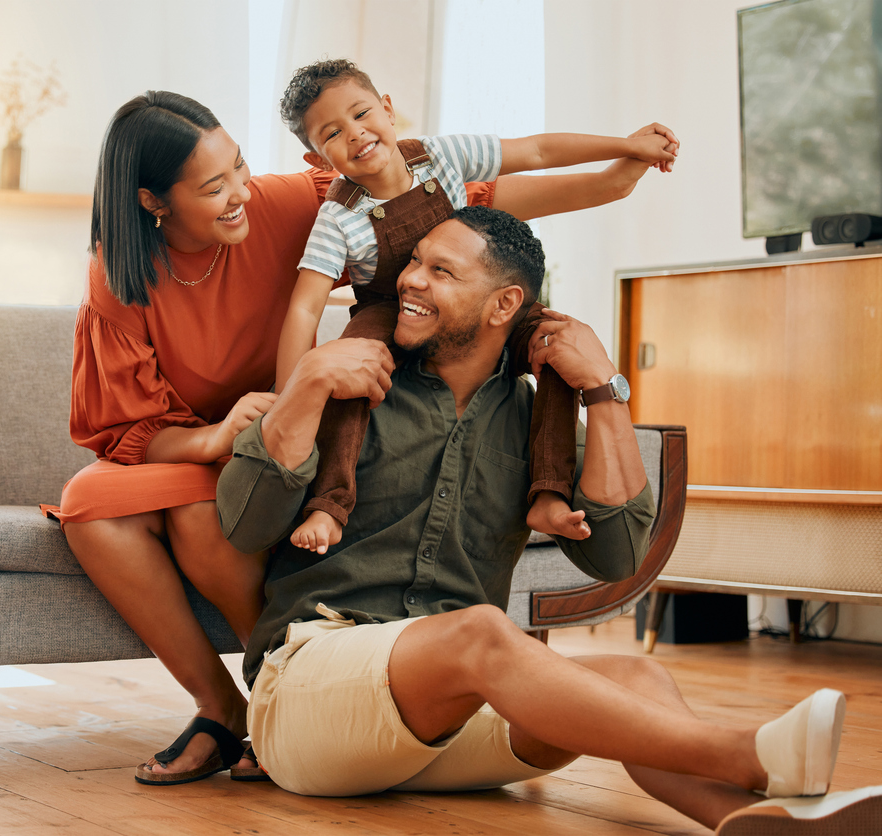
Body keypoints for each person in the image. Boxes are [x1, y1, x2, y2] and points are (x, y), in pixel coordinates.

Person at [43, 89, 678, 787]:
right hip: (244, 432)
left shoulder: (290, 203)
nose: (239, 195)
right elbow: (126, 428)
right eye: (212, 187)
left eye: (241, 169)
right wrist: (245, 422)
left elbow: (450, 197)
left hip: (304, 421)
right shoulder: (120, 278)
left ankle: (275, 697)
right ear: (152, 202)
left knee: (204, 514)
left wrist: (617, 172)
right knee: (94, 502)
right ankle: (231, 703)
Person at [217, 205, 881, 834]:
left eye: (440, 271)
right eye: (414, 262)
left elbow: (618, 558)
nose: (410, 280)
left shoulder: (541, 428)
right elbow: (244, 525)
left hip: (445, 723)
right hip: (310, 696)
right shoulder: (350, 384)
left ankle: (747, 820)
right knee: (481, 631)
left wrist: (604, 389)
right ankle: (747, 755)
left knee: (637, 680)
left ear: (503, 304)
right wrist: (305, 382)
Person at [272, 58, 678, 557]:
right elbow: (304, 310)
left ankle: (549, 492)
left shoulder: (442, 156)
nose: (355, 134)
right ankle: (329, 503)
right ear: (318, 159)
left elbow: (537, 149)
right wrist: (290, 395)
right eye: (332, 133)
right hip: (389, 306)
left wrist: (626, 145)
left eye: (360, 114)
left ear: (388, 108)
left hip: (474, 292)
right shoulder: (338, 217)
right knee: (349, 370)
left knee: (557, 345)